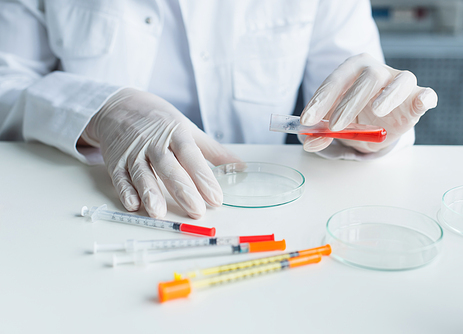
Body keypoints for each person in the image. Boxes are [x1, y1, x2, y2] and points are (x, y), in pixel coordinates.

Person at [0, 0, 437, 219]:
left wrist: (372, 126)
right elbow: (7, 83)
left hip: (262, 209)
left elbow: (359, 92)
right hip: (98, 201)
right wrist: (103, 111)